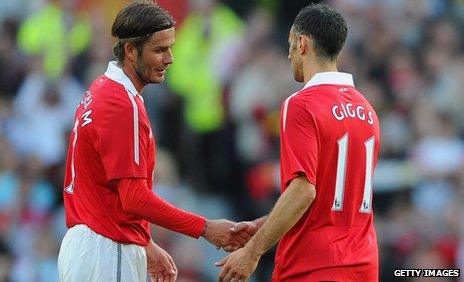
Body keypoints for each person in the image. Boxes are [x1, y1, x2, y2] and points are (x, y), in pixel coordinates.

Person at [57, 1, 248, 282]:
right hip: (106, 249)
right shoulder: (121, 103)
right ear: (131, 51)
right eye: (159, 50)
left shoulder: (103, 88)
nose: (169, 58)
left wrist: (144, 242)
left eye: (170, 48)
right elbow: (133, 196)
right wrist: (205, 228)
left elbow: (104, 188)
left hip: (94, 244)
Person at [217, 4, 380, 282]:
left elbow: (304, 191)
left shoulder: (301, 104)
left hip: (312, 266)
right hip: (363, 264)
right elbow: (330, 196)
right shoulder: (366, 110)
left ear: (303, 44)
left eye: (290, 45)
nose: (289, 54)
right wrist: (267, 224)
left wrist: (252, 252)